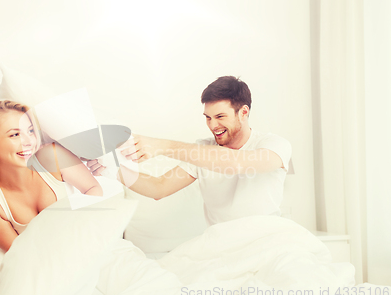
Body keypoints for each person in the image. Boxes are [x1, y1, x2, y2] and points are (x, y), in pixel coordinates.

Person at [86, 76, 292, 227]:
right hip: (223, 245)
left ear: (243, 112)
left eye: (220, 116)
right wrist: (114, 170)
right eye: (208, 117)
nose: (213, 125)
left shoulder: (274, 145)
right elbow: (159, 187)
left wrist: (163, 146)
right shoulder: (201, 151)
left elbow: (237, 163)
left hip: (267, 240)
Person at [0, 100, 103, 289]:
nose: (28, 141)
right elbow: (24, 256)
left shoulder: (53, 156)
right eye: (15, 134)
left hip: (80, 247)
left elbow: (93, 189)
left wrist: (85, 233)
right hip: (31, 265)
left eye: (31, 131)